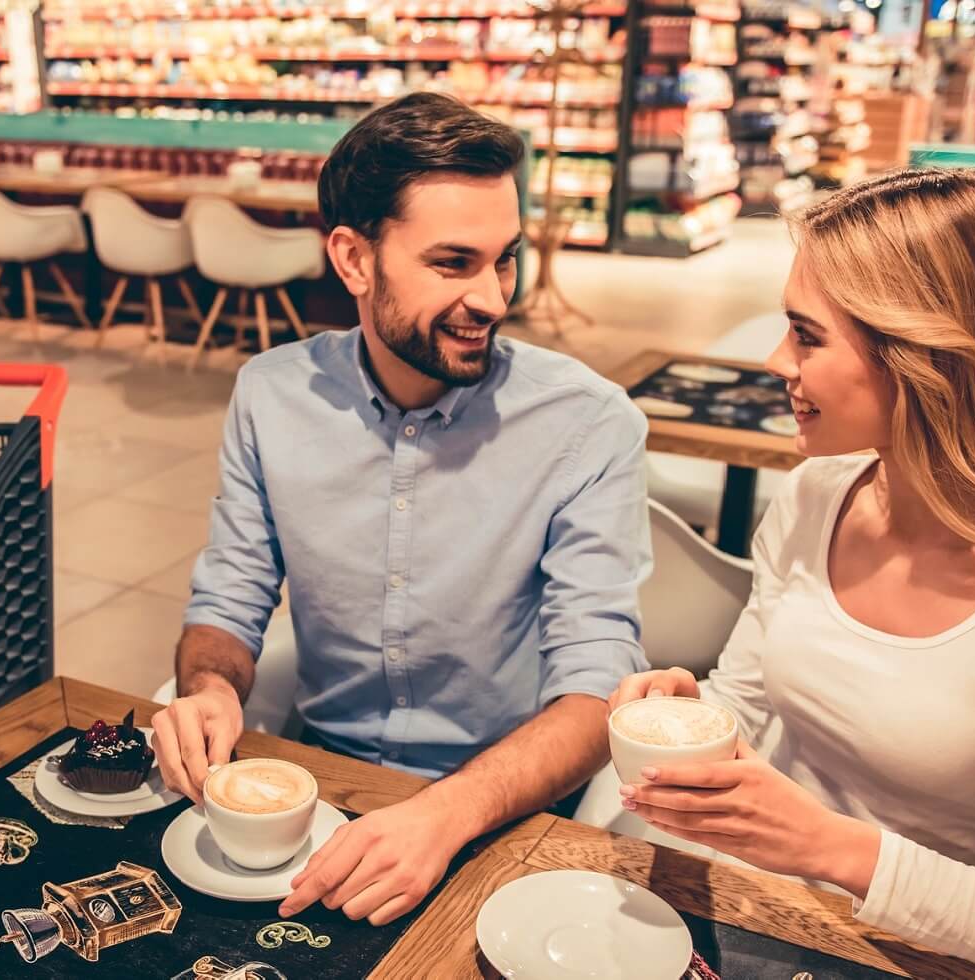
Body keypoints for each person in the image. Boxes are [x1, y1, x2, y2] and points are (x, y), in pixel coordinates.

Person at [610, 168, 975, 978]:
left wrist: (835, 849)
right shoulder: (818, 493)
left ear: (921, 355)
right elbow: (743, 699)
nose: (777, 359)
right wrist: (689, 716)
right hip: (747, 913)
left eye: (806, 335)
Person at [150, 92, 651, 927]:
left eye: (505, 259)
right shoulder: (270, 396)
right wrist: (207, 689)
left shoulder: (588, 422)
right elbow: (228, 599)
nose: (493, 298)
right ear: (354, 260)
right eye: (454, 264)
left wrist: (447, 814)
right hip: (315, 779)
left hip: (503, 802)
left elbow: (599, 687)